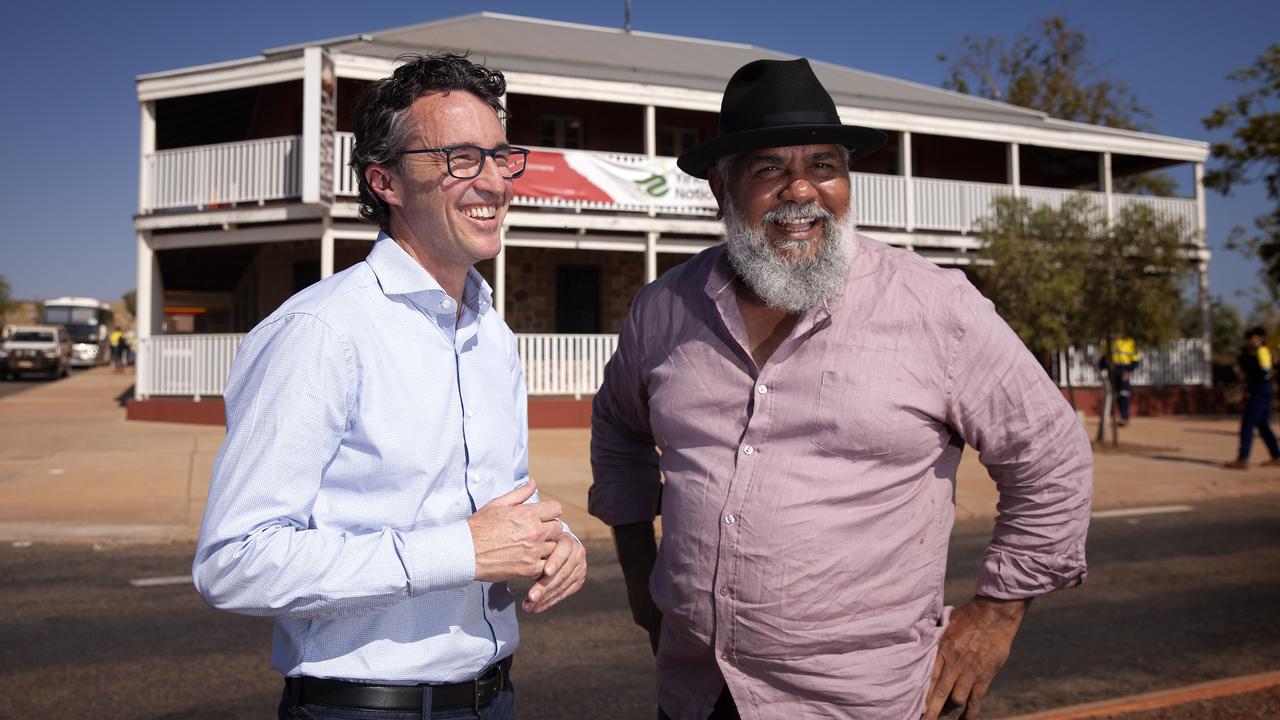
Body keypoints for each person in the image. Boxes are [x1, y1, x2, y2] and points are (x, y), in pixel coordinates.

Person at [588, 58, 1093, 720]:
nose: (802, 190)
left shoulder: (936, 305)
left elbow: (1051, 458)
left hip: (867, 702)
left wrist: (996, 617)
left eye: (824, 166)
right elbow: (620, 433)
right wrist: (640, 587)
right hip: (697, 692)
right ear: (721, 188)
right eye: (769, 169)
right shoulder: (664, 310)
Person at [193, 53, 586, 720]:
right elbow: (235, 562)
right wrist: (458, 551)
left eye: (500, 155)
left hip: (494, 697)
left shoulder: (493, 334)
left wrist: (553, 539)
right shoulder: (321, 333)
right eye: (461, 158)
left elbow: (494, 501)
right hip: (363, 707)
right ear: (387, 181)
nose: (494, 181)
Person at [1225, 326, 1280, 469]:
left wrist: (1247, 377)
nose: (1250, 340)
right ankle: (1276, 456)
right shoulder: (1252, 353)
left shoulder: (1262, 351)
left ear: (1260, 338)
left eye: (1253, 337)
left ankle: (1242, 459)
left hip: (1260, 391)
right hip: (1261, 390)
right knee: (1263, 426)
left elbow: (1264, 372)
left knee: (1247, 424)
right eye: (1249, 338)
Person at [1102, 337, 1141, 425]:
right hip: (1112, 370)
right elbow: (1103, 359)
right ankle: (1120, 417)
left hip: (1124, 370)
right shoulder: (1108, 342)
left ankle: (1125, 417)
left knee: (1124, 394)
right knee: (1116, 395)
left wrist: (1128, 371)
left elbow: (1135, 360)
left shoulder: (1129, 342)